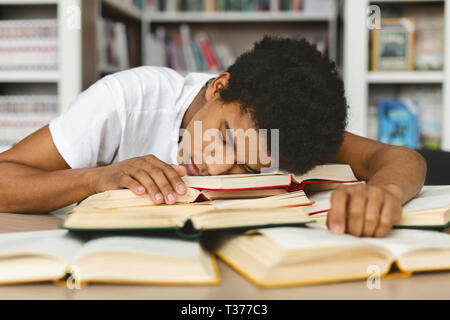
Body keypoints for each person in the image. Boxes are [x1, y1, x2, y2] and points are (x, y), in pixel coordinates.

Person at [0, 37, 426, 238]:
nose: (219, 166)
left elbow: (397, 157)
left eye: (250, 166)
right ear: (216, 86)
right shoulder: (125, 101)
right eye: (222, 137)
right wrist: (93, 179)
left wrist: (385, 191)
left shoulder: (286, 132)